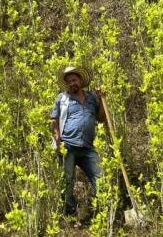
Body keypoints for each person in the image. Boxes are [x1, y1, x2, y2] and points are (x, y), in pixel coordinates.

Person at [50, 66, 106, 217]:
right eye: (69, 82)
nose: (72, 83)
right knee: (67, 181)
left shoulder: (92, 98)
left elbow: (101, 118)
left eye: (74, 80)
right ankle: (70, 214)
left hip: (88, 147)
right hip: (67, 146)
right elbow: (54, 120)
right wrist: (57, 140)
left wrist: (102, 100)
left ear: (80, 80)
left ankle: (105, 211)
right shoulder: (62, 99)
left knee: (100, 178)